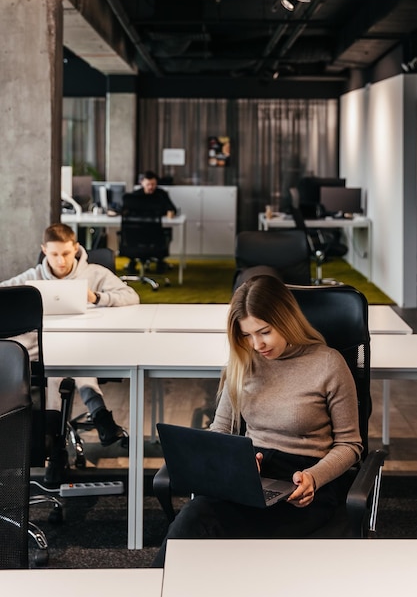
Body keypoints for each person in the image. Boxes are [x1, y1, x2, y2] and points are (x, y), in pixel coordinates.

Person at [152, 274, 363, 566]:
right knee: (193, 517)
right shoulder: (243, 361)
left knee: (223, 538)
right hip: (250, 475)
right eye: (247, 335)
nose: (256, 344)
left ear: (286, 319)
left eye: (264, 332)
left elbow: (350, 445)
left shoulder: (328, 363)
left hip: (306, 484)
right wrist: (233, 466)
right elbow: (221, 429)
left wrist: (314, 477)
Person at [0, 222, 140, 449]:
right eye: (54, 254)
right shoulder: (33, 277)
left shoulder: (94, 273)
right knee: (58, 361)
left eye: (66, 253)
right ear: (44, 250)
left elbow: (131, 296)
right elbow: (3, 294)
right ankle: (99, 416)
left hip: (86, 343)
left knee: (67, 360)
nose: (61, 260)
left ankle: (53, 440)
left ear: (76, 248)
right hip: (47, 347)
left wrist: (96, 297)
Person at [126, 170, 177, 273]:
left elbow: (172, 208)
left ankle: (160, 261)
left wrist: (170, 212)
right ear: (142, 183)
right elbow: (127, 210)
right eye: (148, 184)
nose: (151, 187)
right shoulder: (135, 195)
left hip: (155, 233)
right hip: (138, 232)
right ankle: (133, 260)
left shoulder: (161, 194)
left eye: (153, 184)